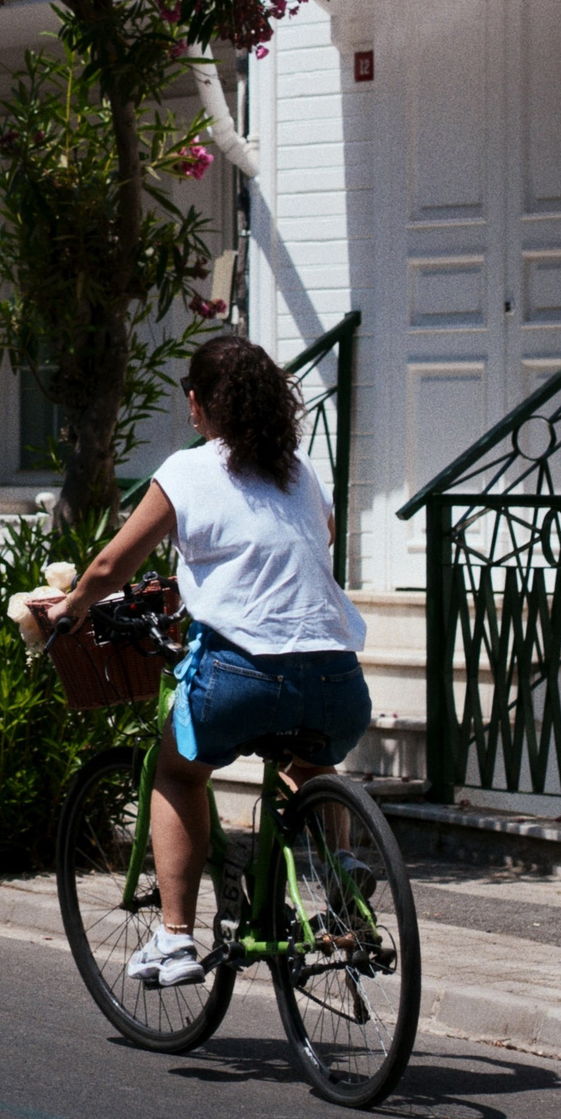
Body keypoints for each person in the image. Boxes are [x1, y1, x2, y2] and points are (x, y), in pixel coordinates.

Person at [47, 333, 370, 989]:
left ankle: (173, 939)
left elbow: (115, 565)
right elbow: (321, 534)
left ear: (198, 405)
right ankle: (336, 872)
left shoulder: (189, 469)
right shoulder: (300, 471)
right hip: (340, 679)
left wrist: (73, 605)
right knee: (309, 758)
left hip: (243, 676)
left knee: (178, 770)